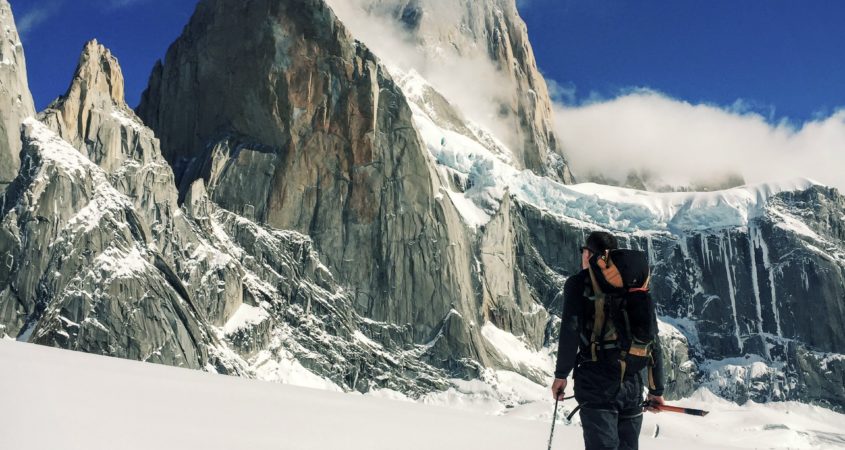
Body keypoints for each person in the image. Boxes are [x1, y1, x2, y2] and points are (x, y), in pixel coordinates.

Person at [551, 231, 665, 450]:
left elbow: (570, 330)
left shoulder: (578, 283)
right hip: (631, 384)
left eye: (584, 251)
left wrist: (561, 375)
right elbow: (652, 338)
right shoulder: (634, 284)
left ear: (589, 254)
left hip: (596, 383)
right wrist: (656, 390)